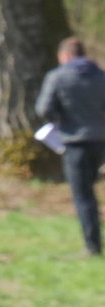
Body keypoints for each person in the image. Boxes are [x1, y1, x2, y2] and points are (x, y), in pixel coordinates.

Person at [36, 36, 105, 257]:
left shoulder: (58, 77)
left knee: (83, 196)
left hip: (75, 143)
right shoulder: (101, 76)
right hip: (101, 141)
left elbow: (44, 108)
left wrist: (59, 120)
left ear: (65, 56)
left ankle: (93, 246)